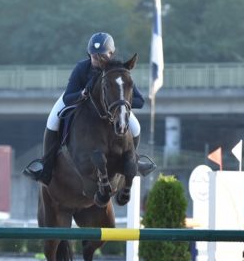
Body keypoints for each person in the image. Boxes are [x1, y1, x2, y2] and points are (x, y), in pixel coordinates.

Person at [23, 32, 155, 185]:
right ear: (89, 55)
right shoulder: (82, 68)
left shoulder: (118, 72)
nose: (98, 60)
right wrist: (82, 94)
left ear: (111, 54)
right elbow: (68, 97)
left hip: (113, 108)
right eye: (94, 56)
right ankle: (46, 165)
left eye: (102, 56)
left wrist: (120, 102)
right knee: (53, 120)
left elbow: (139, 101)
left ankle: (133, 160)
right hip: (81, 102)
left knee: (136, 127)